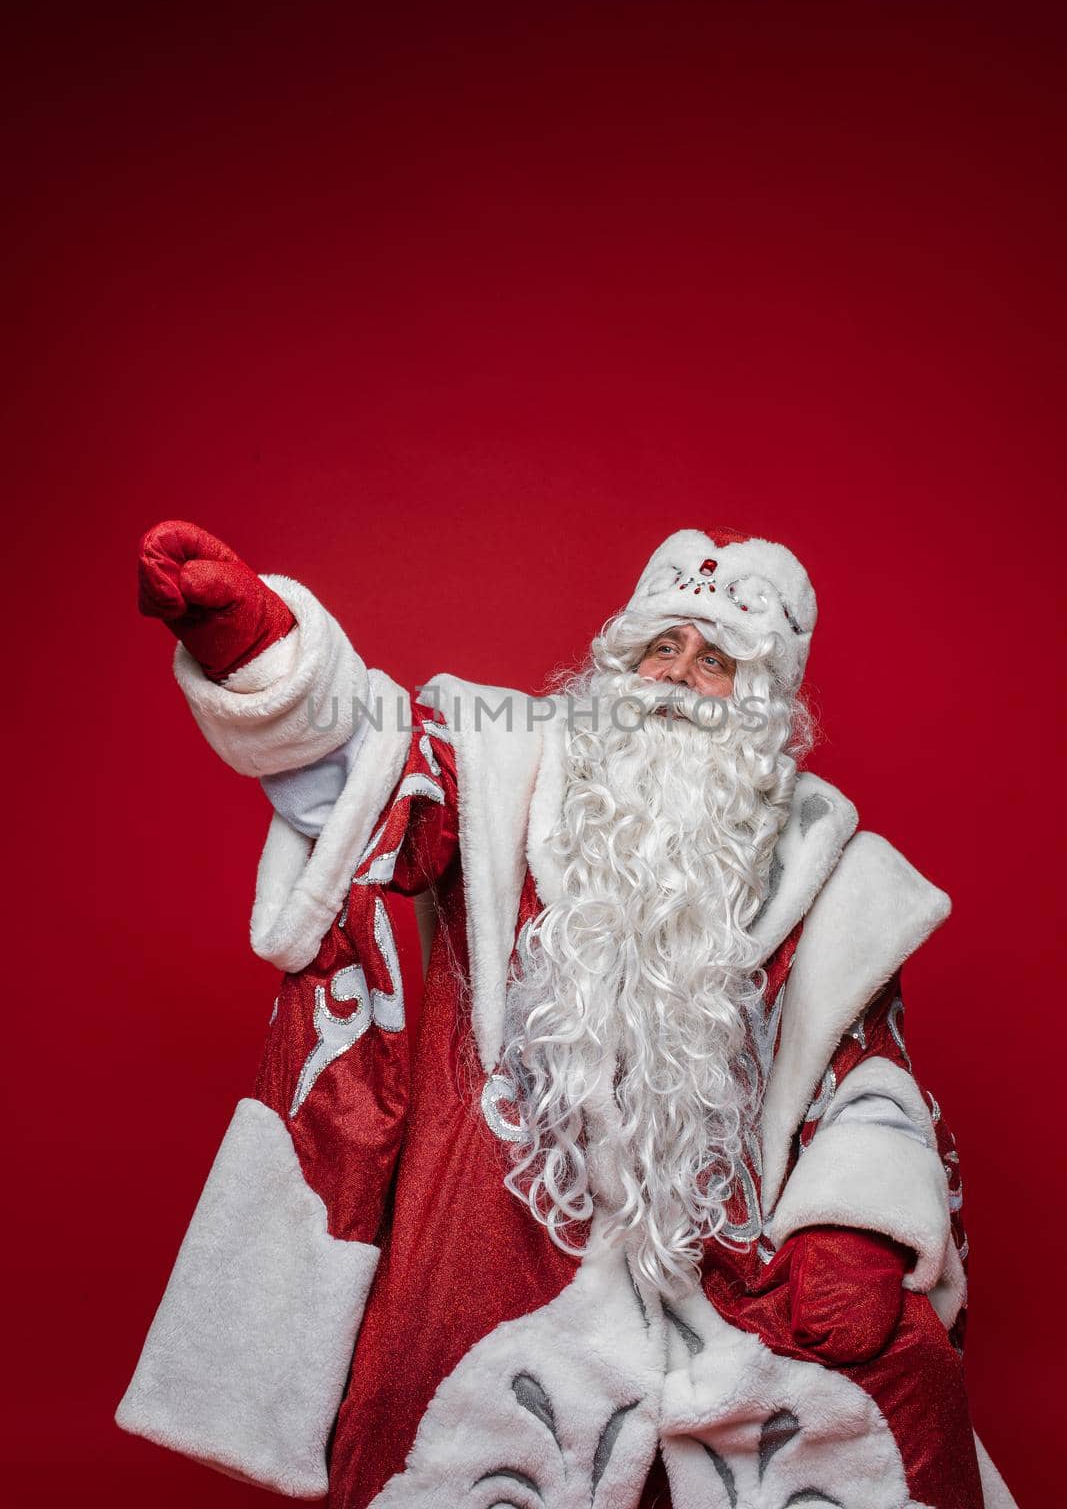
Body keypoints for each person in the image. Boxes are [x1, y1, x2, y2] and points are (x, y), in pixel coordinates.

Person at [117, 521, 1016, 1509]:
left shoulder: (817, 866)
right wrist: (263, 652)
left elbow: (867, 1069)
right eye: (658, 647)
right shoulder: (500, 765)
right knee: (429, 1361)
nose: (675, 675)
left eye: (714, 660)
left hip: (720, 1254)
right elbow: (362, 769)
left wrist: (853, 1227)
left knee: (903, 1371)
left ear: (760, 707)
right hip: (502, 1216)